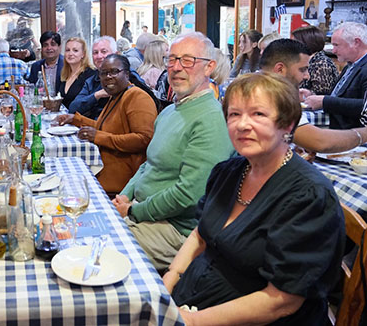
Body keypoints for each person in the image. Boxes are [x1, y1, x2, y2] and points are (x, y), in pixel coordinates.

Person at [165, 73, 344, 325]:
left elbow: (282, 300)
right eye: (234, 114)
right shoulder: (229, 171)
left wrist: (191, 321)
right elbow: (200, 234)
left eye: (258, 114)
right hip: (194, 298)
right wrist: (169, 280)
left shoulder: (308, 196)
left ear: (288, 124)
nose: (242, 125)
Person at [111, 33, 235, 270]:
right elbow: (149, 164)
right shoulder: (169, 112)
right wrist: (125, 196)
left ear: (210, 67)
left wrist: (134, 211)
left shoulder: (211, 120)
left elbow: (189, 195)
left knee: (102, 250)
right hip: (143, 211)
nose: (177, 68)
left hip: (178, 230)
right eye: (172, 59)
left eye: (188, 60)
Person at [55, 54, 156, 194]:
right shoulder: (116, 96)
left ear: (127, 74)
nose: (108, 77)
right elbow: (105, 127)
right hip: (103, 169)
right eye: (103, 73)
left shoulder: (137, 97)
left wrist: (98, 137)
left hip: (122, 182)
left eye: (114, 72)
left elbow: (144, 139)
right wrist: (76, 119)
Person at [260, 38, 367, 153]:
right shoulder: (269, 99)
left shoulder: (261, 89)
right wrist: (363, 133)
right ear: (280, 69)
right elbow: (320, 142)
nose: (307, 76)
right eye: (302, 70)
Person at [305, 21, 367, 129]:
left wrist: (325, 101)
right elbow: (338, 96)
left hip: (350, 129)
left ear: (357, 42)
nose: (333, 50)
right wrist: (311, 94)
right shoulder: (350, 65)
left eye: (336, 45)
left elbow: (364, 107)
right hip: (335, 120)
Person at [69, 36, 117, 119]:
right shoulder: (91, 81)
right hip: (94, 126)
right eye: (95, 52)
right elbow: (73, 108)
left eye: (104, 51)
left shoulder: (127, 76)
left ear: (115, 54)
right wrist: (97, 95)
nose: (99, 56)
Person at [291, 25, 339, 95]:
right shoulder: (306, 60)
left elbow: (321, 94)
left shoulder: (321, 63)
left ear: (306, 43)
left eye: (294, 42)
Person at [59, 37, 96, 109]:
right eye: (67, 50)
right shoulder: (64, 74)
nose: (70, 53)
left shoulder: (90, 74)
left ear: (83, 54)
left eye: (75, 50)